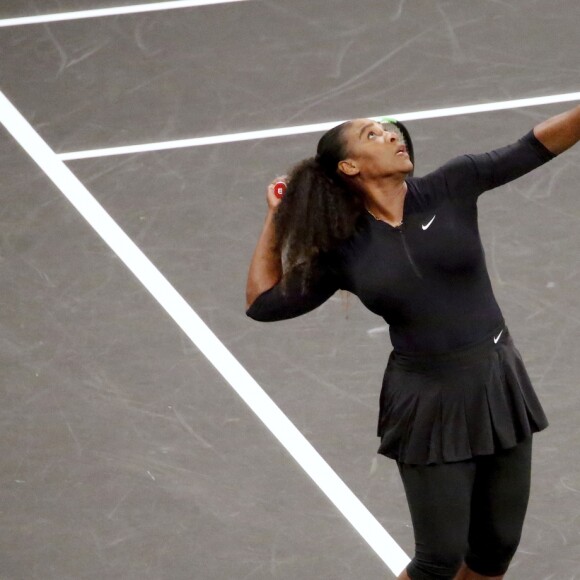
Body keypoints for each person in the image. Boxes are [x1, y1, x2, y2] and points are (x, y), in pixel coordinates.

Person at [245, 105, 580, 580]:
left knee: (495, 548)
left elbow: (534, 145)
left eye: (390, 130)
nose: (391, 134)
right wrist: (276, 220)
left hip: (495, 381)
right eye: (372, 133)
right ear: (349, 166)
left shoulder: (454, 184)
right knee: (438, 559)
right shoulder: (344, 247)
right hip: (426, 401)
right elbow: (264, 302)